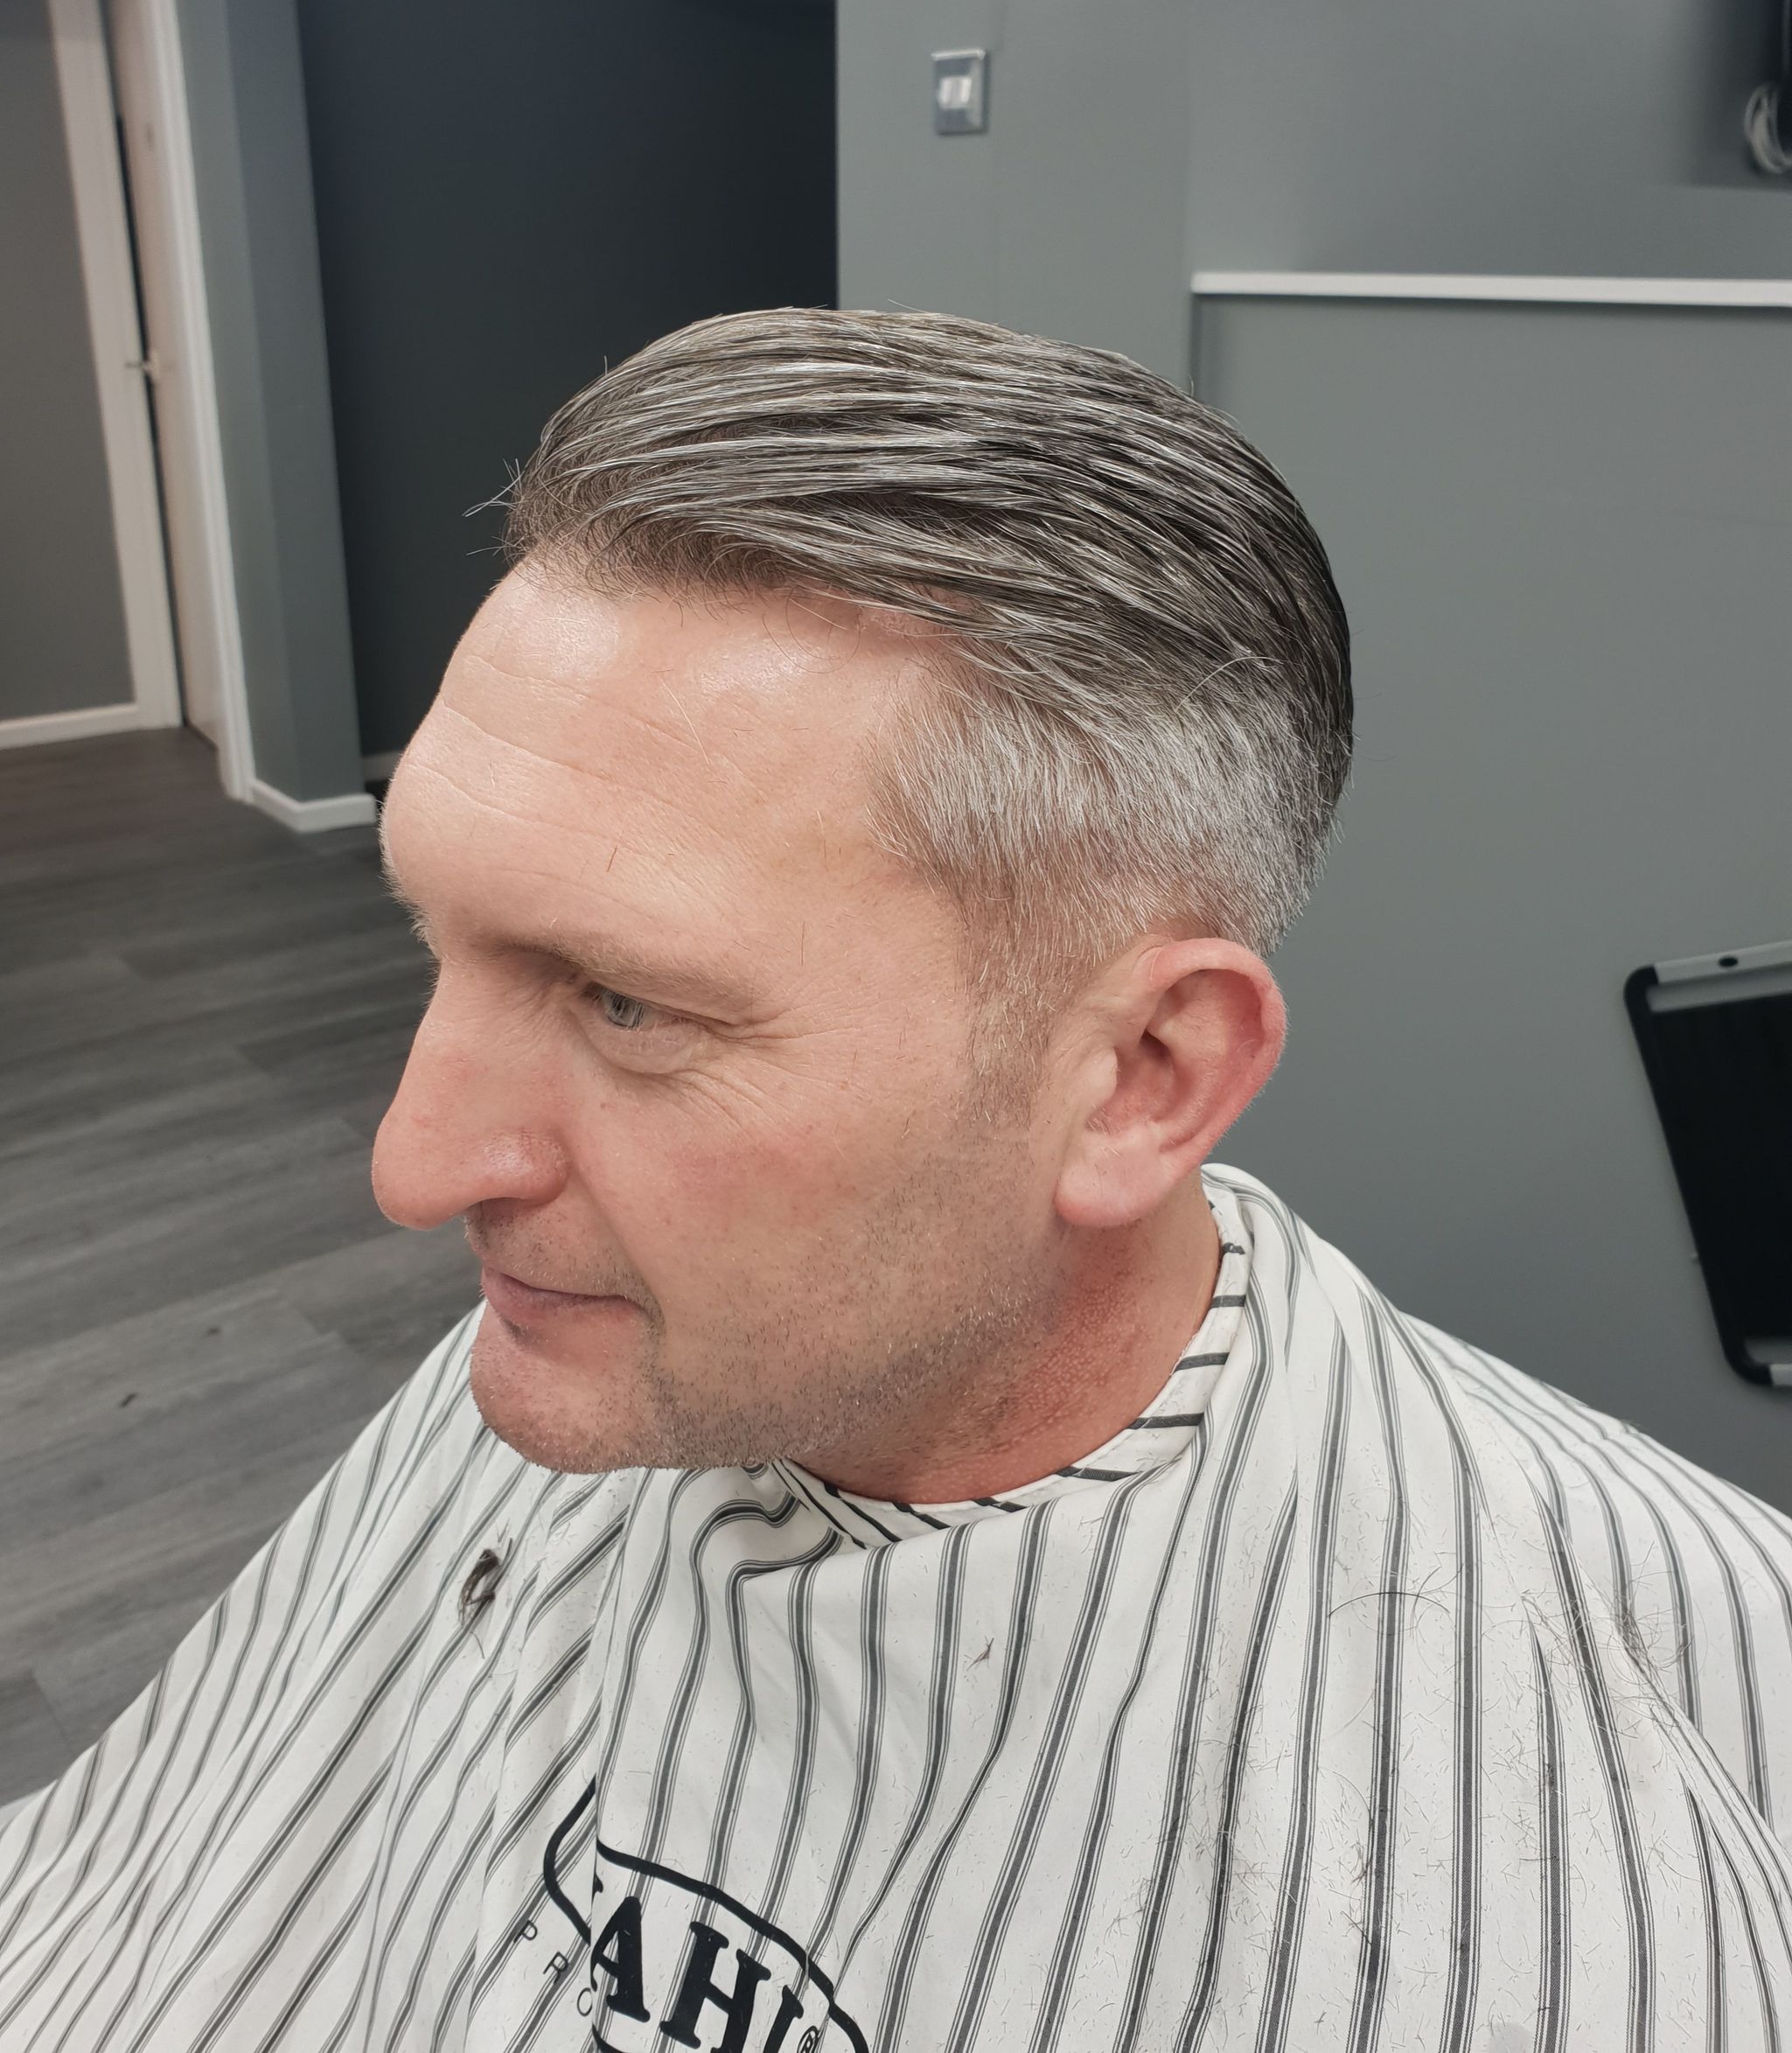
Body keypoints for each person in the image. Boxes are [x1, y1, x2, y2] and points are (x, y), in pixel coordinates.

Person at [2, 308, 1789, 2053]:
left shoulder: (1565, 1866)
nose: (414, 1168)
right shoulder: (617, 1330)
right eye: (435, 940)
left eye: (627, 1003)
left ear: (1139, 1078)